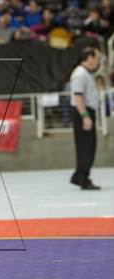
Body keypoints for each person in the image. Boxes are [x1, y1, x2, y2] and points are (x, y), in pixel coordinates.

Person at [70, 47, 101, 190]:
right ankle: (82, 178)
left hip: (86, 112)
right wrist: (85, 116)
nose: (98, 61)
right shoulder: (80, 74)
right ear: (89, 58)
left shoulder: (86, 73)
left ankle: (79, 175)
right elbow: (78, 97)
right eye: (96, 58)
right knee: (86, 147)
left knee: (88, 146)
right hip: (83, 112)